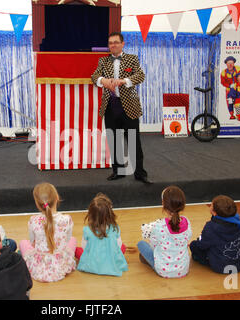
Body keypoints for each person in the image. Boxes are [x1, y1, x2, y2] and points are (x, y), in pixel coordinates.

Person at [91, 32, 151, 184]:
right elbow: (94, 76)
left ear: (123, 44)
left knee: (133, 141)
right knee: (114, 141)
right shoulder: (103, 60)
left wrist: (124, 81)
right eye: (110, 43)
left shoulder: (132, 59)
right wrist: (102, 80)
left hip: (129, 106)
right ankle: (118, 171)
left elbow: (140, 76)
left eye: (116, 42)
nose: (113, 45)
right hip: (110, 106)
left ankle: (139, 172)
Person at [19, 182, 77, 282]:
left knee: (23, 243)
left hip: (40, 264)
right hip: (60, 262)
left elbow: (32, 242)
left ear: (37, 204)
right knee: (73, 240)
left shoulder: (33, 220)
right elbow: (67, 240)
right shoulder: (67, 219)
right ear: (57, 198)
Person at [137, 186, 192, 278]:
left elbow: (154, 246)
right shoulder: (187, 222)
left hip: (163, 270)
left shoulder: (159, 226)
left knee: (141, 244)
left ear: (163, 203)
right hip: (183, 269)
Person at [190, 195, 240, 274]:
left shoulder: (211, 227)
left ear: (214, 212)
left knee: (194, 246)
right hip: (239, 264)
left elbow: (201, 245)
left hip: (220, 266)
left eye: (211, 205)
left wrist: (195, 243)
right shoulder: (239, 222)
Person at [76, 193, 128, 276]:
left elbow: (84, 248)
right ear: (109, 214)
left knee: (77, 250)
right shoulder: (115, 228)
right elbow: (118, 246)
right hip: (111, 262)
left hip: (91, 264)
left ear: (91, 214)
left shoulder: (87, 230)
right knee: (123, 247)